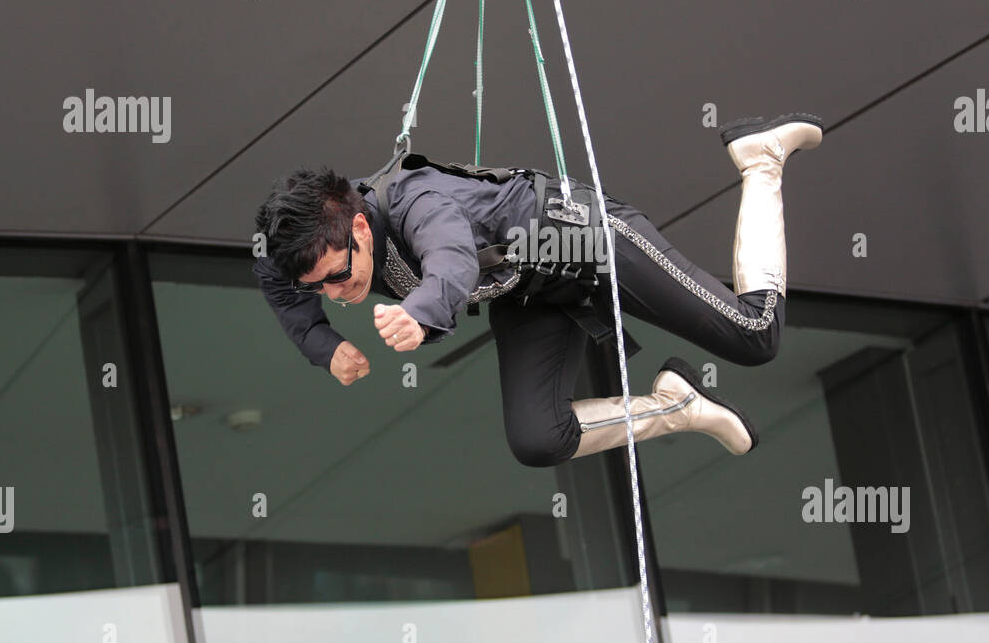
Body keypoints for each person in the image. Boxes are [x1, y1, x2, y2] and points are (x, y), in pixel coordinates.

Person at [252, 114, 823, 467]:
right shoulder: (307, 251)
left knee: (755, 336)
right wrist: (325, 348)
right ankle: (676, 405)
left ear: (357, 228)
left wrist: (421, 313)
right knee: (538, 440)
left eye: (336, 276)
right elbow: (277, 283)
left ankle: (761, 161)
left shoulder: (413, 201)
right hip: (531, 294)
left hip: (588, 243)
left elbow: (450, 257)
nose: (333, 292)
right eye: (317, 287)